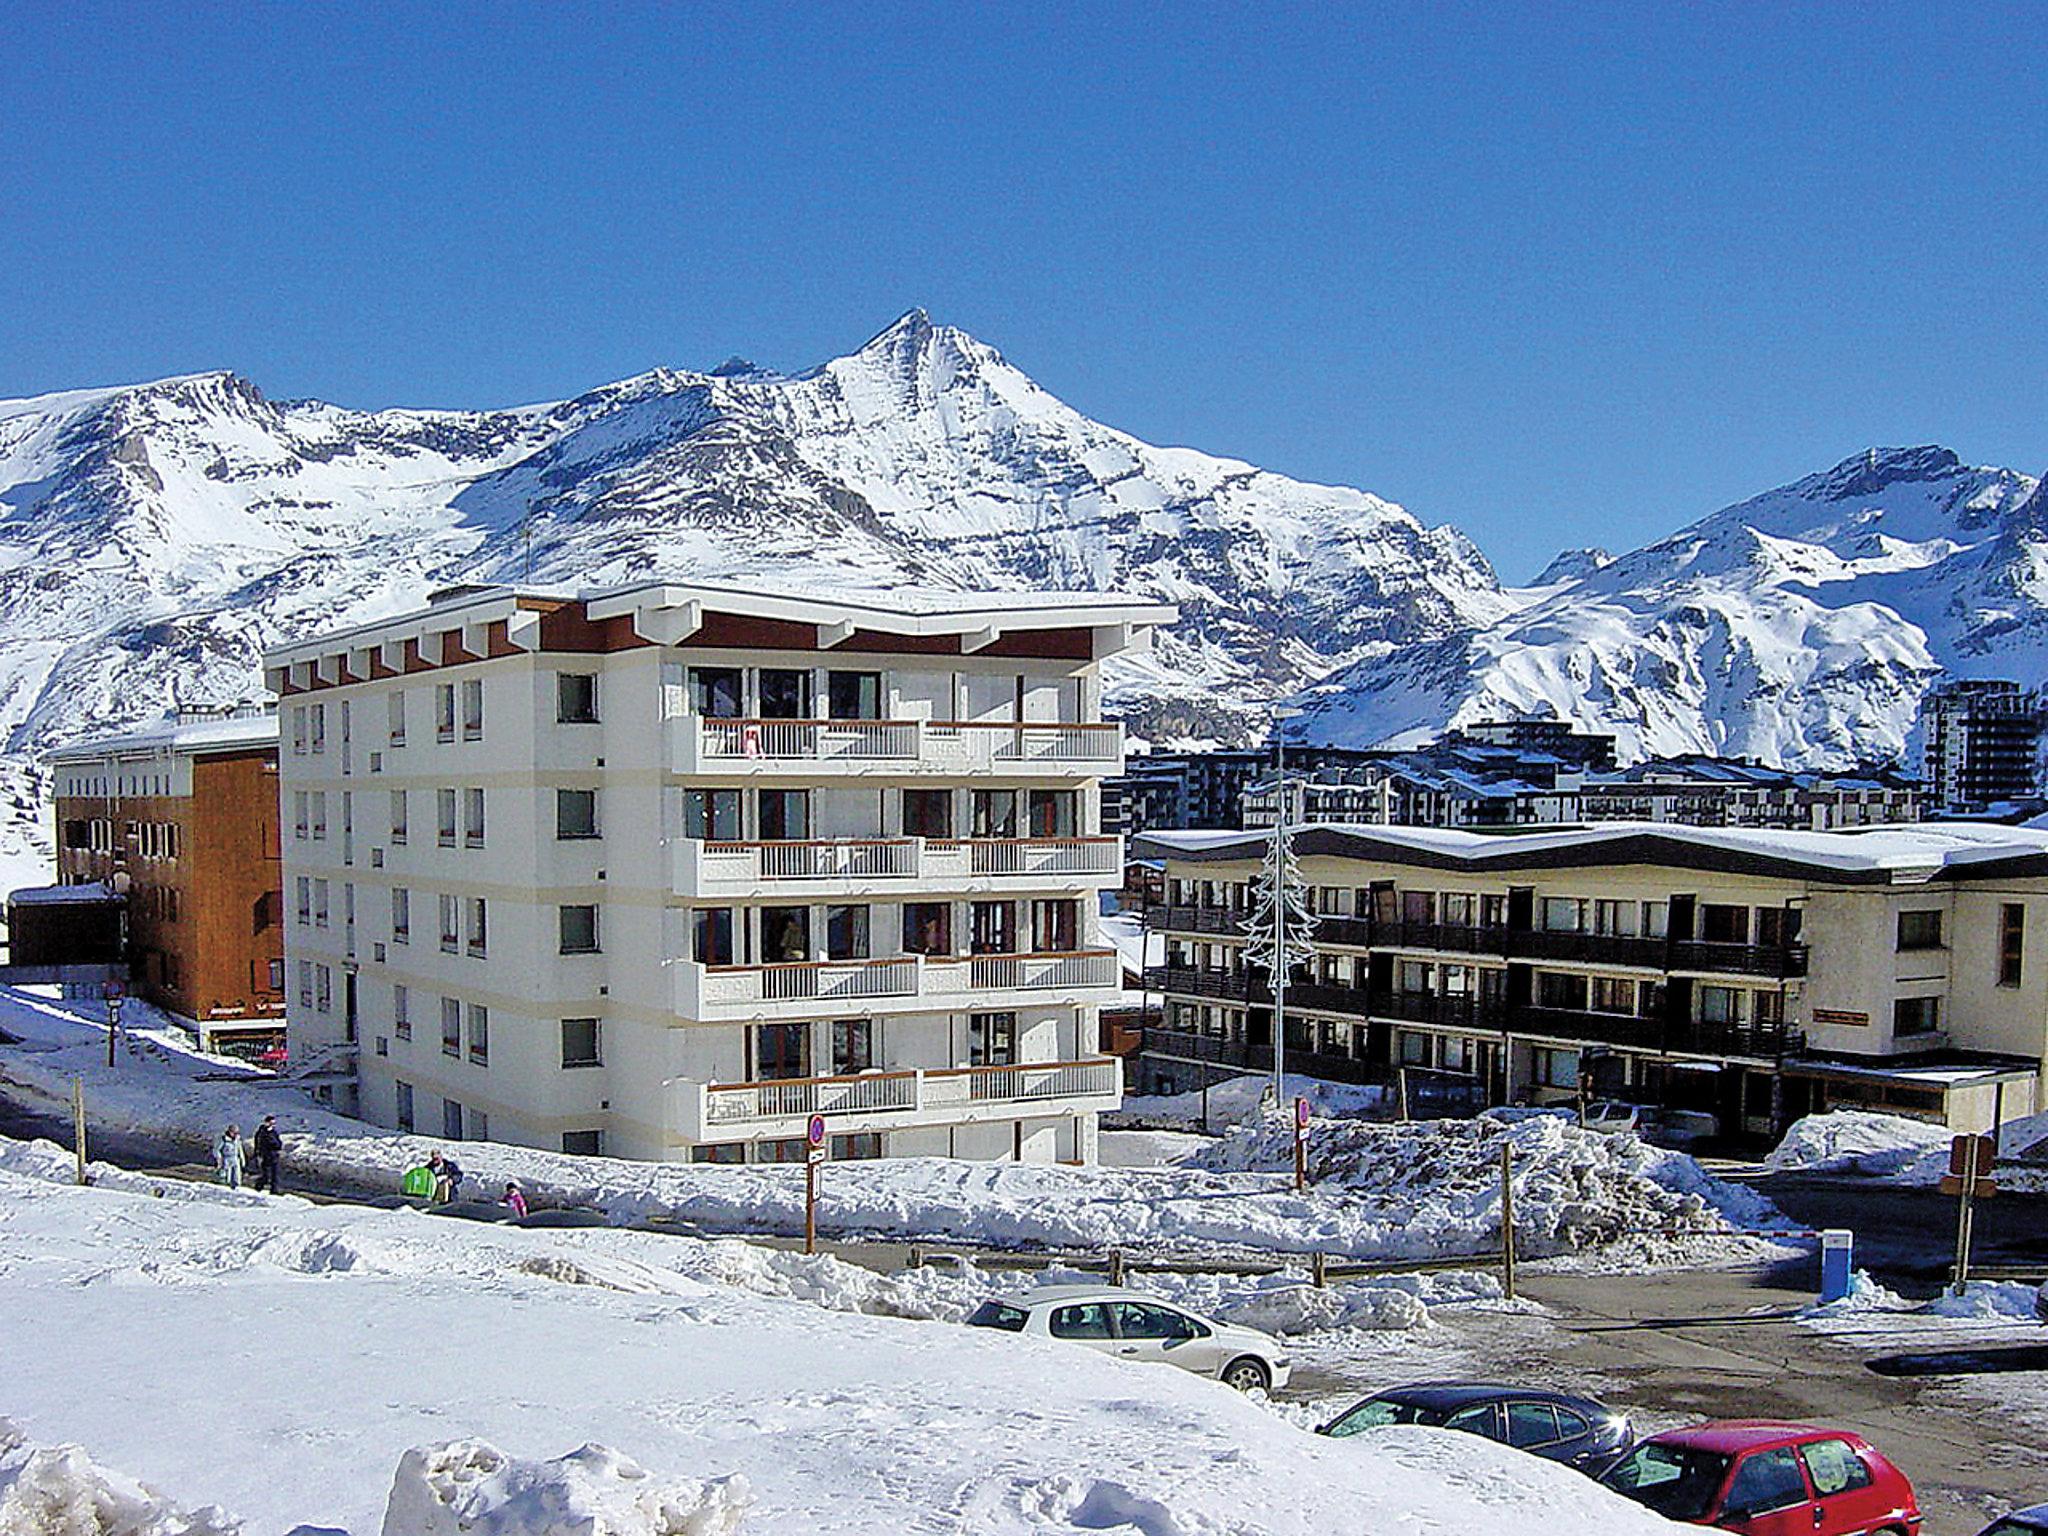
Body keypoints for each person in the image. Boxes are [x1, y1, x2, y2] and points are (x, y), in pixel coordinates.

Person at [251, 1115, 284, 1194]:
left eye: (274, 1123)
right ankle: (258, 1186)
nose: (272, 1125)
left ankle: (274, 1191)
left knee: (275, 1175)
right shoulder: (262, 1132)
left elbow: (279, 1143)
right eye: (271, 1123)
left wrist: (277, 1146)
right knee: (266, 1175)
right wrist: (258, 1154)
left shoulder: (274, 1132)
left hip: (274, 1155)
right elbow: (260, 1144)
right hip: (265, 1156)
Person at [214, 1124, 244, 1189]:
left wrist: (242, 1159)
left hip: (235, 1158)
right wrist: (219, 1159)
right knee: (226, 1175)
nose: (235, 1134)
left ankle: (236, 1186)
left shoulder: (237, 1140)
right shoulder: (223, 1139)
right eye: (234, 1132)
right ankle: (224, 1186)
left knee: (236, 1174)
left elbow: (240, 1149)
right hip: (226, 1158)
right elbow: (216, 1150)